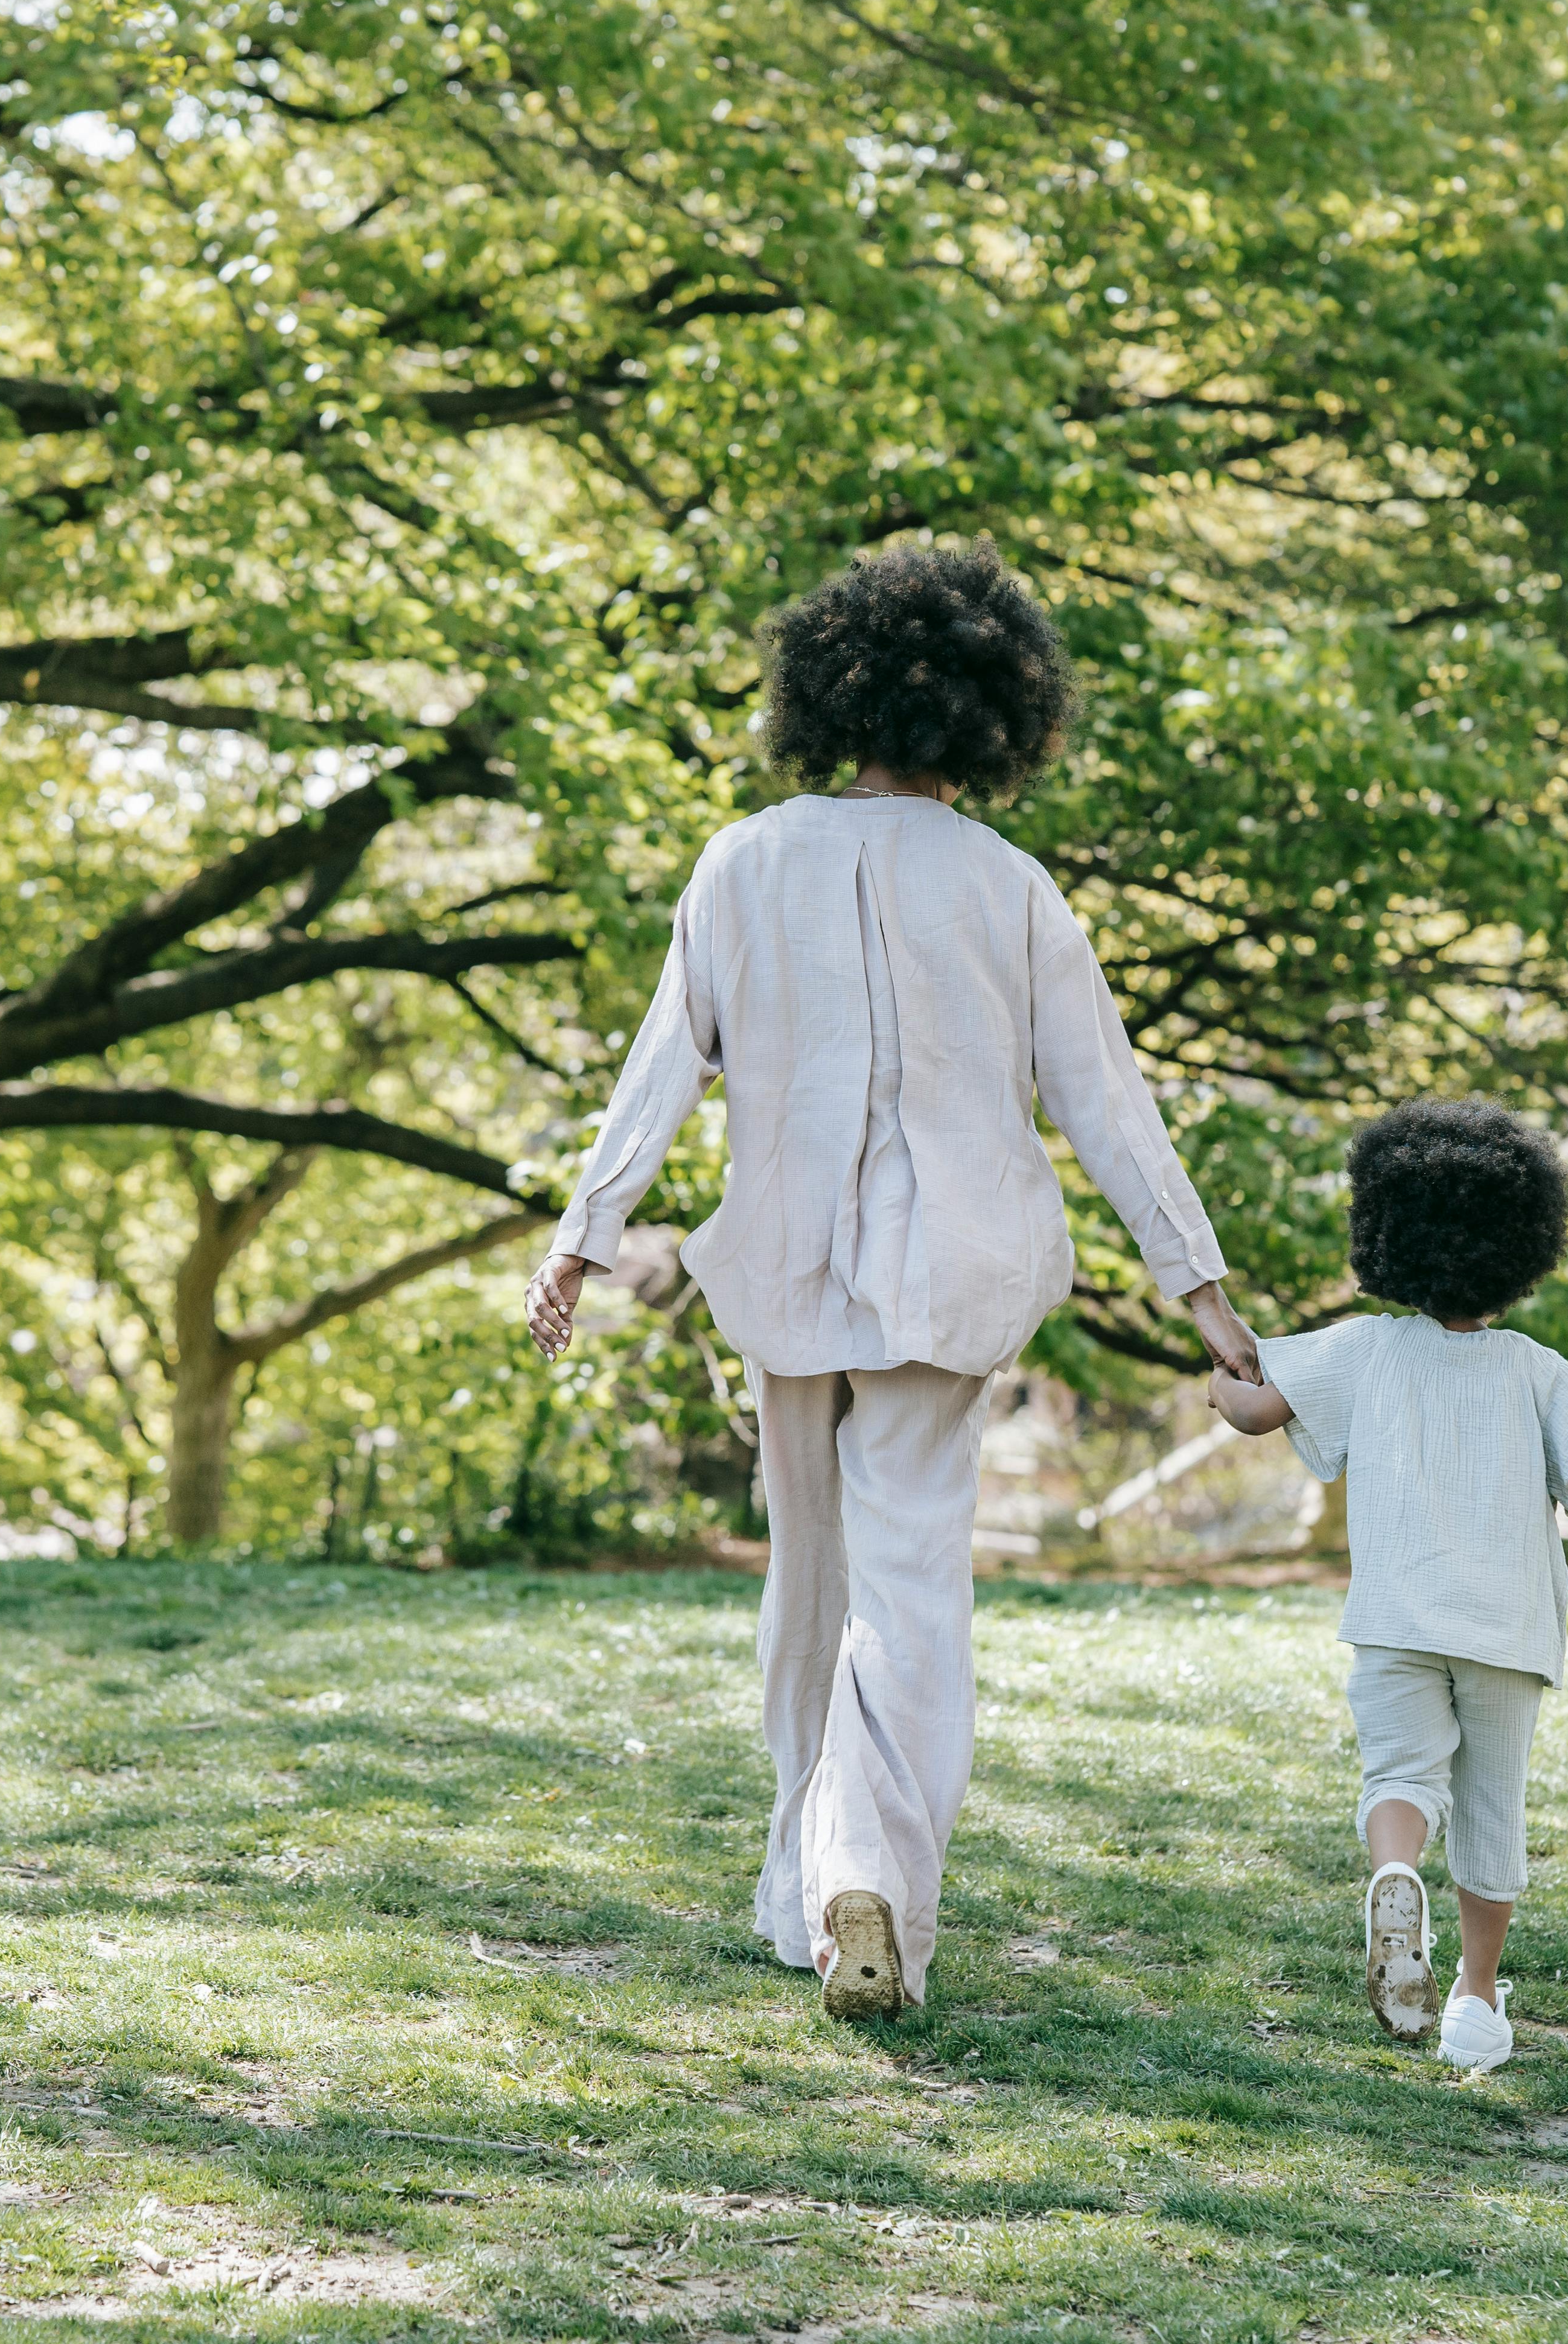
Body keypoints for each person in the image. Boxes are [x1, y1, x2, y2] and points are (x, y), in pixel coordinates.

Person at [521, 540, 1263, 2024]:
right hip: (956, 1275)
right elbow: (1113, 1109)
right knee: (912, 1588)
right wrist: (1205, 1298)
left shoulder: (741, 860)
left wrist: (586, 1229)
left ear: (830, 694)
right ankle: (867, 1884)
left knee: (810, 1583)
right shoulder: (1015, 887)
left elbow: (662, 1063)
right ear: (997, 716)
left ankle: (805, 1872)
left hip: (785, 1271)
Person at [1203, 1097, 1568, 2073]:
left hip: (1393, 1618)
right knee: (1492, 1805)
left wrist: (1218, 1378)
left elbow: (1256, 1408)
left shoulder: (1360, 1349)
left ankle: (1396, 1874)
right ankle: (1473, 2000)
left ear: (1385, 1234)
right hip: (1508, 1630)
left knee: (1401, 1777)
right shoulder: (1538, 1371)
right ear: (1523, 1248)